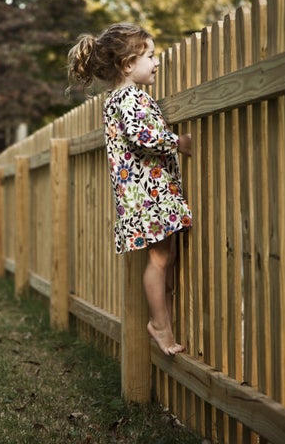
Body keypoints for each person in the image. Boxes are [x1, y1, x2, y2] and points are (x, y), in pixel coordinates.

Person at [67, 22, 192, 356]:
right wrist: (177, 141)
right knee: (159, 259)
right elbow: (142, 136)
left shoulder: (120, 99)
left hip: (146, 193)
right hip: (146, 195)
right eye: (149, 56)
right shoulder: (128, 98)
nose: (156, 62)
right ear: (127, 65)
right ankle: (159, 325)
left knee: (165, 258)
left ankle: (163, 318)